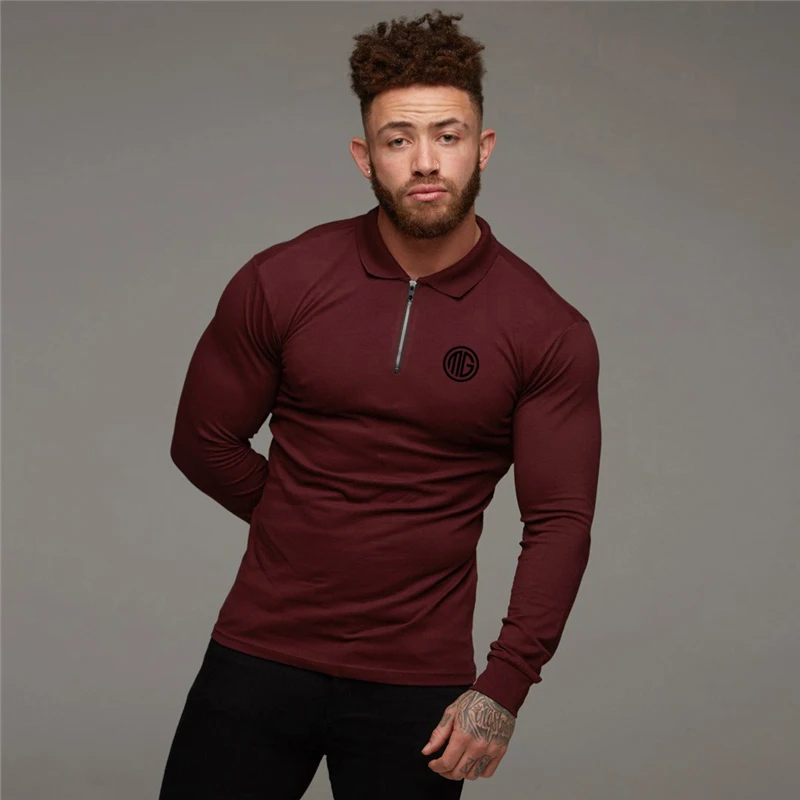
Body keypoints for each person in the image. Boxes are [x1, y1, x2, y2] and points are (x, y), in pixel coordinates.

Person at [158, 8, 601, 800]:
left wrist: (503, 686)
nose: (425, 161)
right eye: (399, 140)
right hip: (259, 655)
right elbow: (202, 440)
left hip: (417, 684)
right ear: (365, 156)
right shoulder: (283, 280)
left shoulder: (545, 328)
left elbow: (560, 521)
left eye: (447, 136)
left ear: (483, 148)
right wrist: (304, 520)